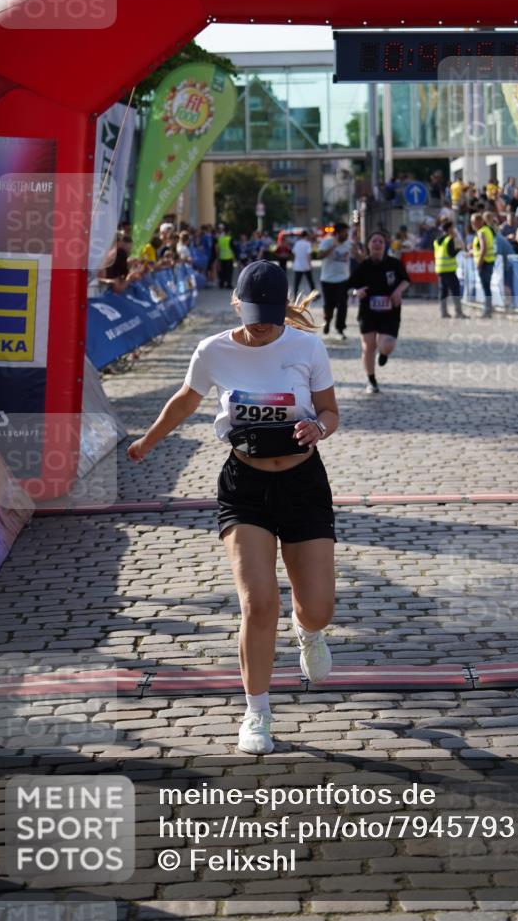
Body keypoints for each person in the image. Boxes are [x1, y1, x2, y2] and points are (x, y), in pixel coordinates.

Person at [127, 261, 339, 755]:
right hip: (245, 488)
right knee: (258, 603)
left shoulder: (306, 346)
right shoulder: (213, 349)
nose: (262, 323)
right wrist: (148, 441)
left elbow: (330, 410)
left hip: (304, 485)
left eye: (271, 314)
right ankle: (257, 713)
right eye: (252, 312)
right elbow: (185, 400)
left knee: (320, 607)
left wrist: (319, 428)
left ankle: (308, 632)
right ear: (236, 303)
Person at [348, 230, 409, 394]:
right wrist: (356, 292)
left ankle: (383, 353)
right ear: (368, 245)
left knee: (386, 346)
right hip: (368, 310)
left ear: (385, 245)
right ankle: (371, 379)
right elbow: (350, 287)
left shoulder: (394, 263)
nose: (377, 244)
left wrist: (398, 291)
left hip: (390, 311)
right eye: (374, 241)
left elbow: (405, 280)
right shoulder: (363, 266)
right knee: (368, 345)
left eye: (380, 241)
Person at [318, 222, 355, 340]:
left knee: (342, 304)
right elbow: (319, 256)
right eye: (345, 233)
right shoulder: (327, 241)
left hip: (343, 279)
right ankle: (327, 321)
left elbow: (360, 258)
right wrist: (333, 246)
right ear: (337, 233)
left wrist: (358, 252)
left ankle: (340, 329)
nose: (347, 235)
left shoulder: (349, 244)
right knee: (329, 305)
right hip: (327, 279)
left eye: (347, 232)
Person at [434, 220, 467, 319]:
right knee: (455, 290)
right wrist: (459, 248)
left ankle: (443, 312)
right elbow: (451, 253)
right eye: (453, 228)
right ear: (449, 229)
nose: (454, 230)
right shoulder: (449, 240)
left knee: (443, 291)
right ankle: (459, 312)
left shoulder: (437, 241)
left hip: (440, 268)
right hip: (449, 269)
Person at [469, 212, 496, 318]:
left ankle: (487, 311)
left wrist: (479, 263)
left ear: (480, 221)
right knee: (487, 287)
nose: (472, 224)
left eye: (474, 222)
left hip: (485, 263)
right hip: (489, 261)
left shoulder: (481, 232)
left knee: (486, 288)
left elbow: (483, 248)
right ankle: (488, 309)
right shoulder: (487, 230)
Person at [291, 229, 315, 297]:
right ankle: (314, 295)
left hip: (297, 266)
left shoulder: (297, 243)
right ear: (306, 236)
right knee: (310, 281)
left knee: (296, 282)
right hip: (306, 266)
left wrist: (293, 262)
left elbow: (294, 254)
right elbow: (308, 255)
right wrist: (310, 264)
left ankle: (295, 295)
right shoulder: (307, 244)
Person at [217, 224, 235, 289]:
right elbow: (233, 249)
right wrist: (234, 258)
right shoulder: (230, 239)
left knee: (222, 272)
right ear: (229, 232)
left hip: (222, 257)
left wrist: (218, 257)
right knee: (229, 272)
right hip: (229, 257)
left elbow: (218, 248)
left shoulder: (220, 239)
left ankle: (221, 284)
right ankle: (228, 284)